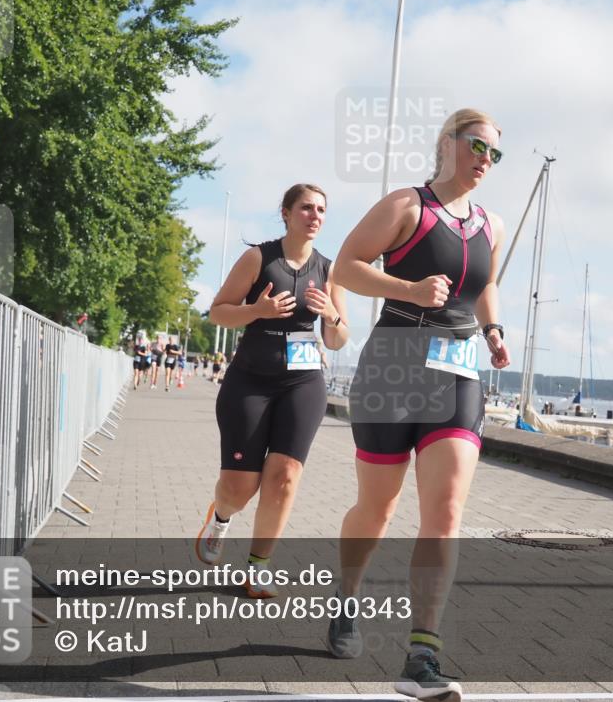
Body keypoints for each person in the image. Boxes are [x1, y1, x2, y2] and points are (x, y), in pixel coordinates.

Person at [325, 109, 511, 702]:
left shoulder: (491, 224)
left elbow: (485, 284)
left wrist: (493, 329)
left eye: (494, 153)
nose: (485, 160)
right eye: (477, 146)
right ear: (448, 143)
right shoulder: (408, 205)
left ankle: (422, 655)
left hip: (456, 371)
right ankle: (346, 599)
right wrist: (408, 288)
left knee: (446, 510)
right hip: (393, 365)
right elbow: (346, 267)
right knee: (377, 508)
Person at [196, 183, 349, 599]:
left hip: (303, 381)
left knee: (284, 476)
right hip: (250, 380)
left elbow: (338, 340)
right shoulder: (258, 258)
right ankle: (220, 518)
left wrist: (332, 315)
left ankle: (258, 567)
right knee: (238, 488)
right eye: (306, 208)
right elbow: (218, 312)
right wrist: (256, 311)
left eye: (321, 210)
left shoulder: (329, 270)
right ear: (286, 213)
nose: (315, 216)